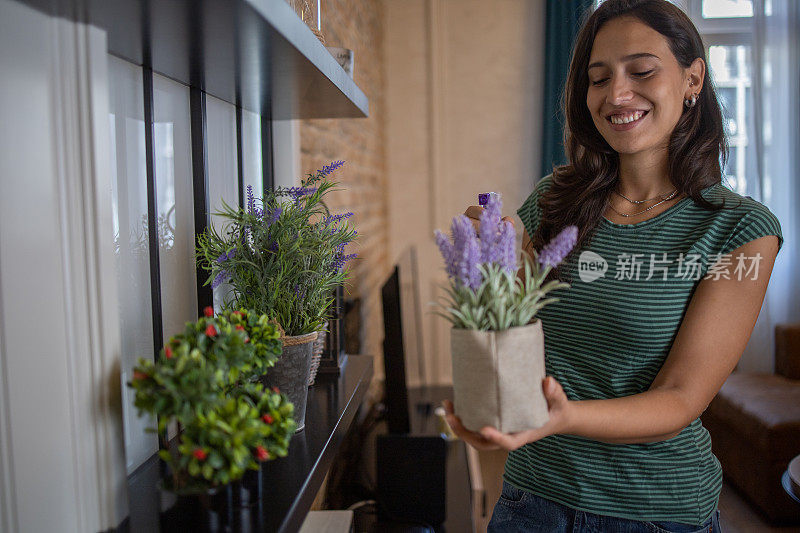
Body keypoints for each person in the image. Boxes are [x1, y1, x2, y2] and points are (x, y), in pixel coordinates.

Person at [443, 0, 784, 531]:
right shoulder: (556, 199)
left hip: (654, 514)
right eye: (598, 79)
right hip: (531, 500)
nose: (617, 94)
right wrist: (493, 262)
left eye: (642, 71)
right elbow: (515, 332)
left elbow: (678, 400)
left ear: (693, 78)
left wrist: (563, 418)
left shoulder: (739, 230)